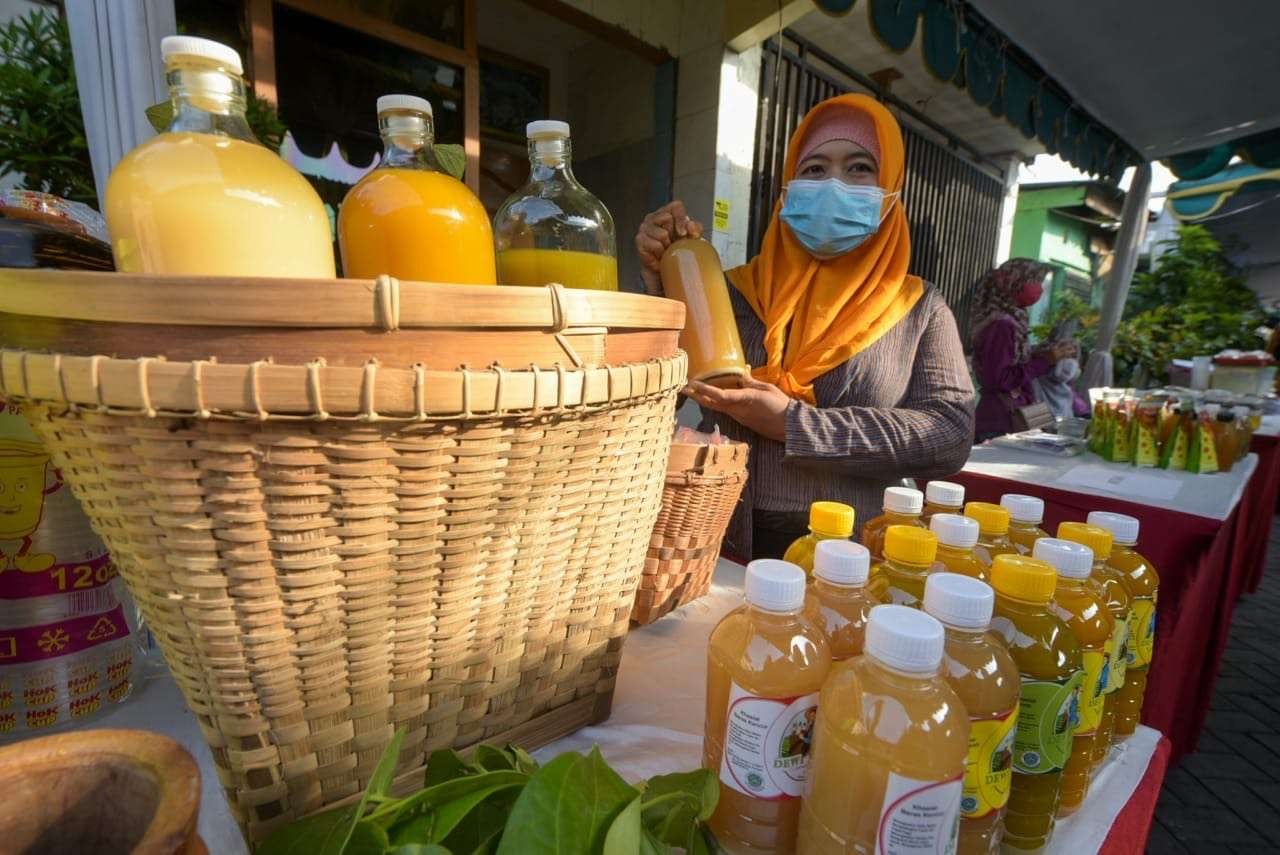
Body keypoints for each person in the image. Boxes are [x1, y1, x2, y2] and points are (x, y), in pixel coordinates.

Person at [636, 93, 974, 560]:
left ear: (891, 188)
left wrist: (797, 425)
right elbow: (650, 398)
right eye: (814, 169)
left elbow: (949, 434)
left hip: (851, 554)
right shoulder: (726, 291)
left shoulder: (919, 309)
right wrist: (661, 288)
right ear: (788, 188)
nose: (833, 184)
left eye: (859, 168)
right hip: (714, 538)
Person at [969, 259, 1078, 440]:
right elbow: (997, 379)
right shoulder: (1001, 325)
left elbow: (1010, 359)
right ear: (1014, 283)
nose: (1040, 290)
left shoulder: (1013, 320)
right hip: (1000, 421)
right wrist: (1044, 361)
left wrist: (1038, 353)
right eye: (1034, 281)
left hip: (1016, 411)